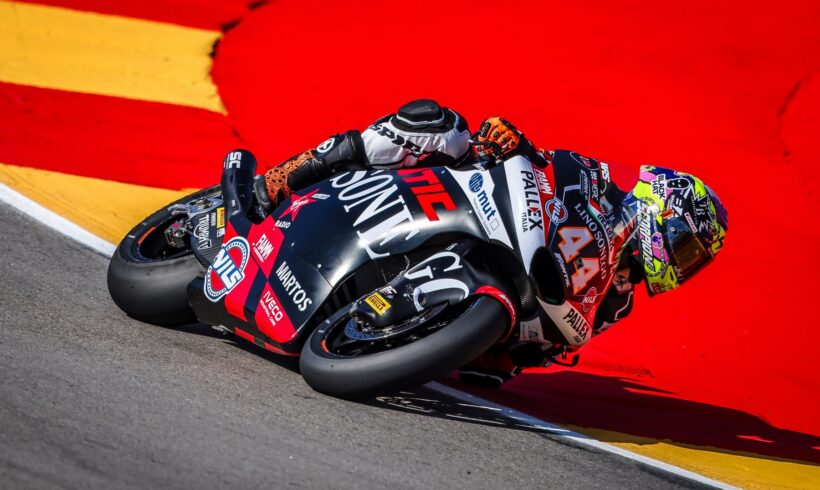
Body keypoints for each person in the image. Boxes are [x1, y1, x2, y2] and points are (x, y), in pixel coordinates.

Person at [253, 99, 729, 388]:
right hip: (473, 203)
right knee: (438, 124)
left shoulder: (619, 301)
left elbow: (555, 347)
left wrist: (525, 351)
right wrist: (511, 144)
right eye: (686, 247)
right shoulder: (597, 181)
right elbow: (545, 163)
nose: (682, 263)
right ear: (660, 209)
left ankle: (397, 319)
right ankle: (283, 179)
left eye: (692, 261)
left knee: (493, 372)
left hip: (496, 305)